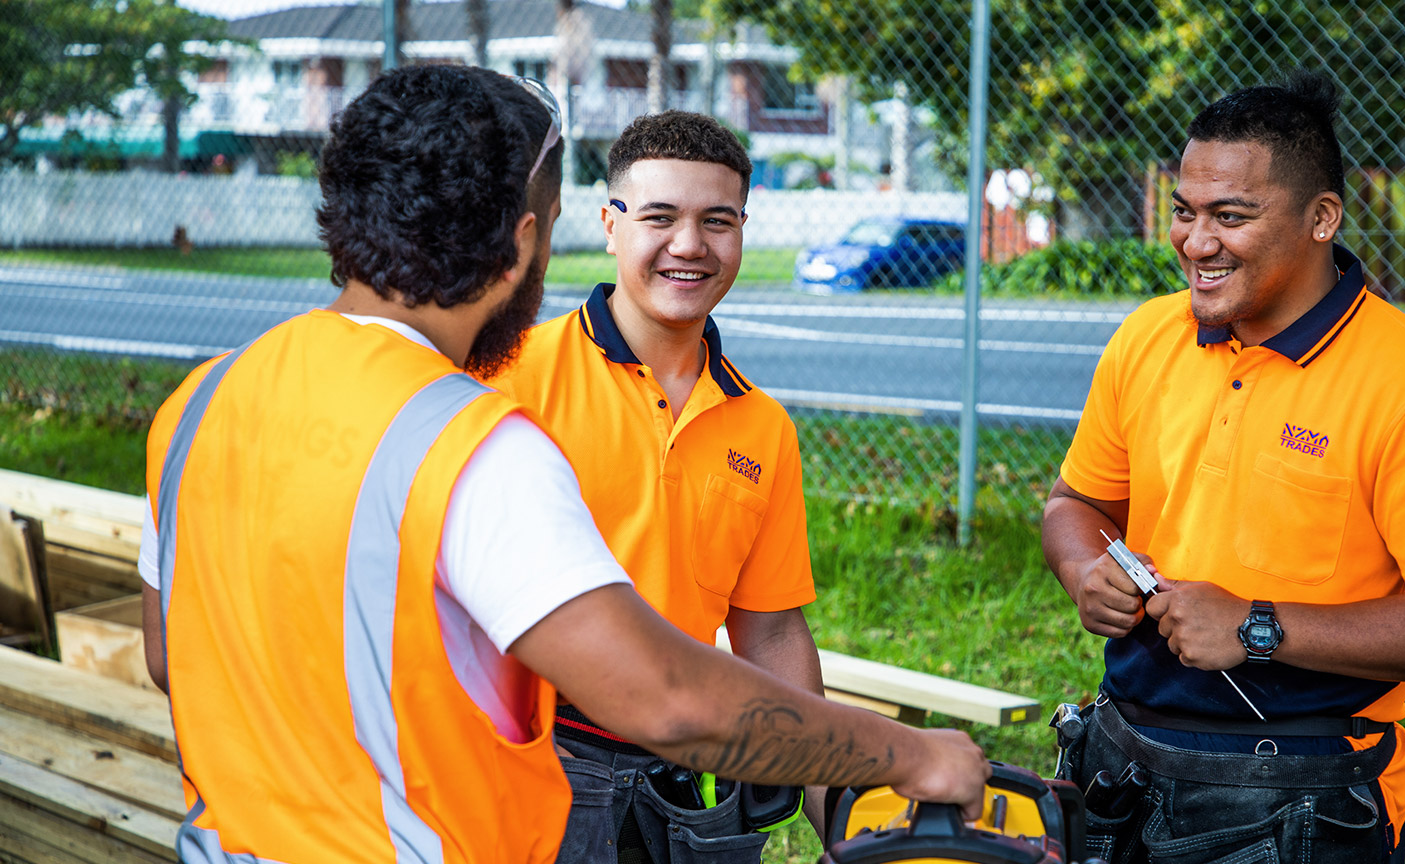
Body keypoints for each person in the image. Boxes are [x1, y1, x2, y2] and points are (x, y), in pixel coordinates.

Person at [136, 65, 990, 864]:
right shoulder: (473, 440)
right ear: (524, 241)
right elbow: (663, 698)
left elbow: (173, 656)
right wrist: (905, 754)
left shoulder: (201, 399)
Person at [1041, 70, 1405, 864]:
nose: (1197, 243)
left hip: (1308, 790)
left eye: (1231, 217)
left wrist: (1256, 627)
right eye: (1184, 212)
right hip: (1123, 753)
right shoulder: (1146, 336)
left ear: (1321, 218)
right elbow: (1075, 502)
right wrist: (1085, 568)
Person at [485, 111, 827, 859]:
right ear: (611, 225)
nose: (690, 246)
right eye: (659, 217)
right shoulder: (508, 378)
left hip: (686, 777)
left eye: (717, 221)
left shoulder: (761, 425)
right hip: (533, 761)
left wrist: (831, 793)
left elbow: (768, 629)